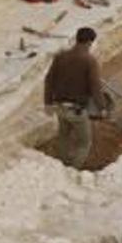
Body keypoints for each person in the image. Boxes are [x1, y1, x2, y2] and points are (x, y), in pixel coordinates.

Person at [43, 27, 109, 168]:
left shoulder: (60, 56)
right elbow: (95, 88)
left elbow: (49, 80)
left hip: (59, 106)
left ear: (76, 38)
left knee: (63, 136)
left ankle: (62, 163)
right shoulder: (89, 61)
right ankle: (73, 169)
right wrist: (102, 107)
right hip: (76, 110)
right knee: (84, 142)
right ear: (90, 43)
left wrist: (47, 103)